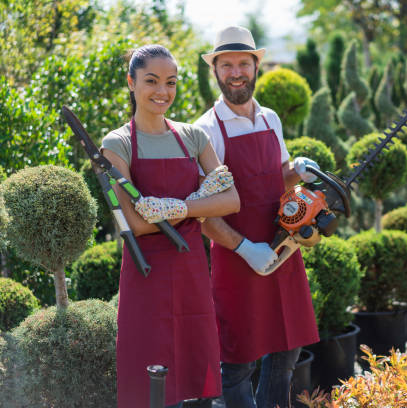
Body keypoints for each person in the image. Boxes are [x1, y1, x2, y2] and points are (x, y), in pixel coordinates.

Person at [101, 44, 240, 408]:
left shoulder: (193, 136)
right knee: (149, 383)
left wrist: (176, 206)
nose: (162, 92)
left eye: (171, 82)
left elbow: (230, 200)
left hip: (192, 271)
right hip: (146, 277)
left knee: (196, 378)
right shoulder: (118, 143)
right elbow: (135, 224)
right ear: (131, 83)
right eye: (151, 81)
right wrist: (198, 206)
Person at [194, 26, 320, 408]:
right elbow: (203, 212)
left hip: (283, 248)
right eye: (227, 64)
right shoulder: (205, 130)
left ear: (255, 67)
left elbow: (274, 178)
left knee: (286, 352)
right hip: (238, 258)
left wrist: (297, 170)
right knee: (237, 363)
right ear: (215, 71)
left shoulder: (270, 119)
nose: (236, 72)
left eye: (243, 64)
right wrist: (246, 248)